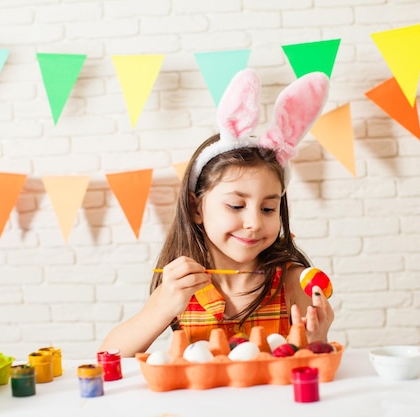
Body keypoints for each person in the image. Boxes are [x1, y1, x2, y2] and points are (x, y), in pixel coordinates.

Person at [100, 69, 334, 357]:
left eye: (268, 208)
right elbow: (108, 356)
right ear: (196, 207)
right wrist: (163, 306)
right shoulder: (182, 285)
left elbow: (308, 368)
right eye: (236, 206)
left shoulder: (292, 284)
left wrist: (316, 339)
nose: (253, 223)